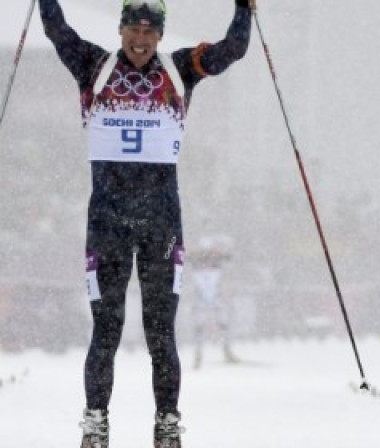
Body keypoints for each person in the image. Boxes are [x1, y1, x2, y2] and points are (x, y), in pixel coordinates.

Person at [39, 0, 254, 446]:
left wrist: (243, 9)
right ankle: (96, 422)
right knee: (107, 330)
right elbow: (56, 29)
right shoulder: (94, 66)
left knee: (162, 333)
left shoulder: (179, 69)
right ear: (121, 31)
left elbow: (233, 49)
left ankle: (167, 424)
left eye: (149, 32)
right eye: (133, 31)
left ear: (159, 35)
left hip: (161, 224)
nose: (140, 40)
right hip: (107, 223)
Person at [190, 235, 237, 369]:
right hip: (203, 296)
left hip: (214, 296)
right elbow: (180, 256)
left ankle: (226, 350)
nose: (207, 258)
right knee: (200, 326)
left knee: (223, 322)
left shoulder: (215, 260)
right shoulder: (196, 260)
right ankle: (198, 355)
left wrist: (220, 251)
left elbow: (229, 257)